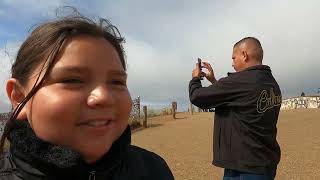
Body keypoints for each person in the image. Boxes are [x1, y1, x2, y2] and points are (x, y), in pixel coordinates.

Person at [0, 8, 174, 180]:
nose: (103, 96)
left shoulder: (153, 169)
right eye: (73, 80)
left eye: (117, 82)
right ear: (19, 97)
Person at [189, 37, 282, 180]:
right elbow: (239, 99)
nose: (232, 63)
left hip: (244, 169)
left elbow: (197, 97)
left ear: (244, 55)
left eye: (234, 58)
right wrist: (214, 81)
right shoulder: (270, 82)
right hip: (265, 163)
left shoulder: (240, 81)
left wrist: (195, 79)